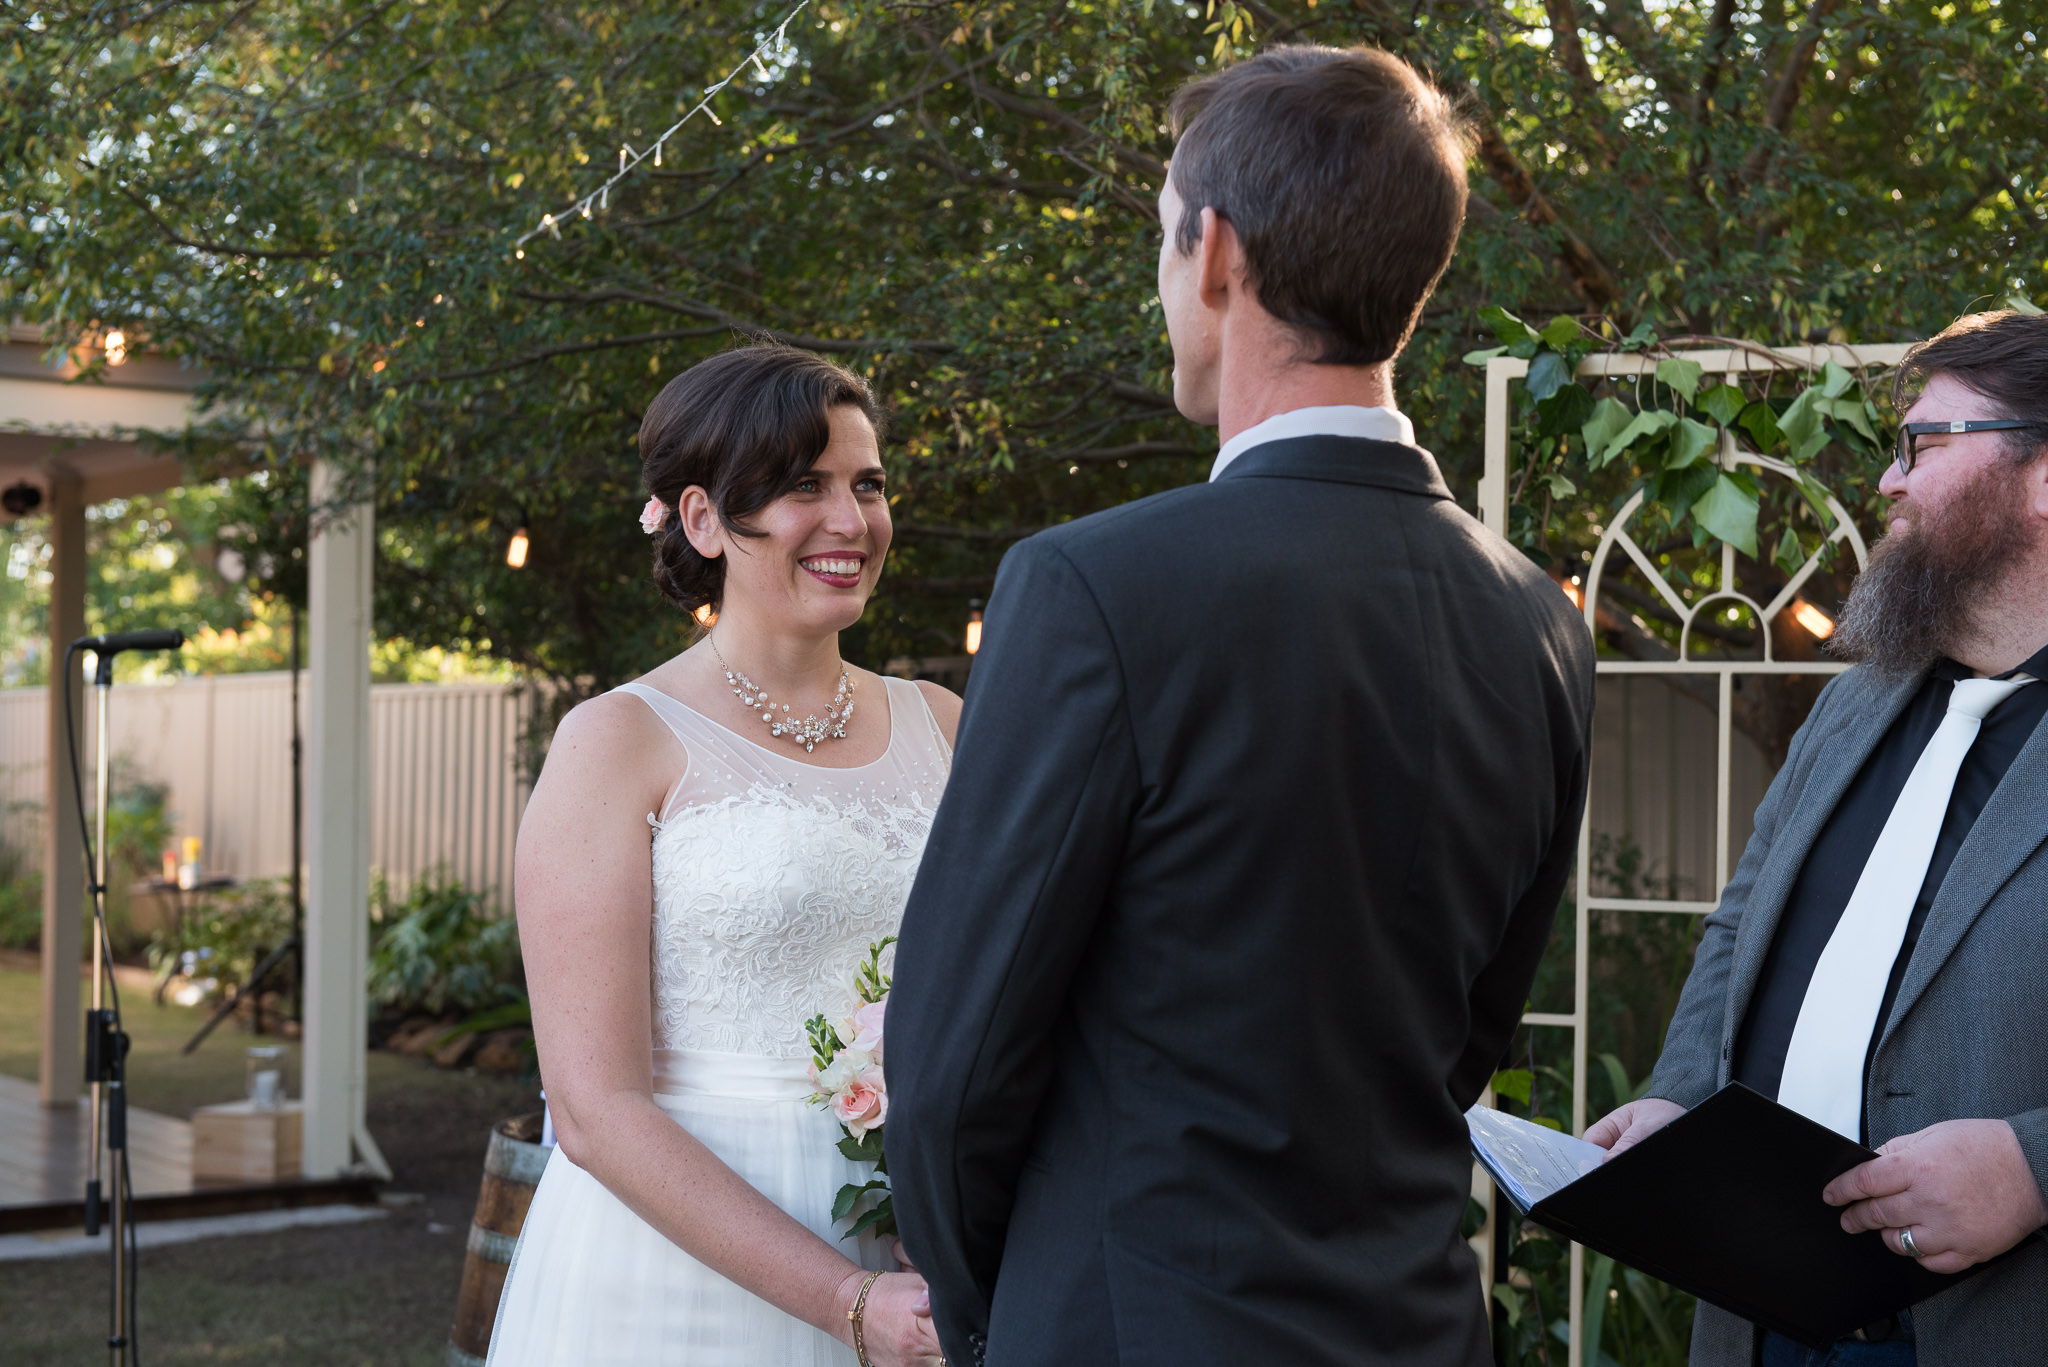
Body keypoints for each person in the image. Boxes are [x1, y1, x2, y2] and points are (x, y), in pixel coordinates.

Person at [884, 44, 1596, 1367]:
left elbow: (951, 1073)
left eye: (1163, 245)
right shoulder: (1542, 622)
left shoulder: (1094, 585)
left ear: (1217, 256)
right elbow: (1460, 1046)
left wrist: (1010, 1318)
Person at [1589, 310, 2048, 1367]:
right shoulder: (1854, 703)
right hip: (1753, 1320)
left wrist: (2030, 1167)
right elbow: (1739, 923)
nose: (1885, 482)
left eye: (1920, 444)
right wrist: (1675, 1096)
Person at [489, 345, 956, 1367]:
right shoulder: (618, 741)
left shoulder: (947, 726)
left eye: (866, 485)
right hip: (676, 1274)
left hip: (919, 1248)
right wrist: (845, 1297)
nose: (850, 520)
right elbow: (594, 1106)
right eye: (802, 486)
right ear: (701, 518)